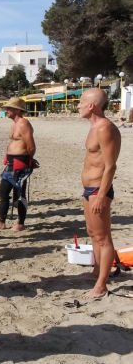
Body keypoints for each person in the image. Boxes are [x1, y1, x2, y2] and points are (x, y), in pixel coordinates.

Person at [78, 88, 121, 299]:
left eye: (81, 102)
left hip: (98, 190)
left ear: (92, 106)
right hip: (89, 189)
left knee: (102, 237)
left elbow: (110, 166)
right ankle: (97, 272)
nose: (77, 105)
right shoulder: (94, 127)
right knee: (93, 233)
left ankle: (101, 285)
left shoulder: (105, 128)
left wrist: (102, 195)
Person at [0, 97, 37, 231]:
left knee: (19, 193)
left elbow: (31, 146)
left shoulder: (23, 123)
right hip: (11, 162)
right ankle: (2, 221)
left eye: (9, 108)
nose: (6, 111)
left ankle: (20, 223)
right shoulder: (14, 124)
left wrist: (28, 161)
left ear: (17, 110)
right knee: (3, 192)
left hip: (20, 162)